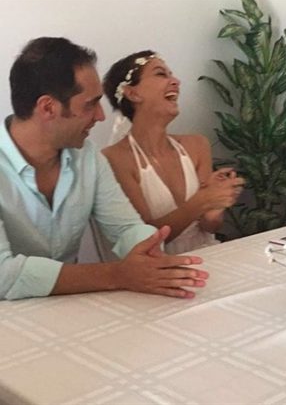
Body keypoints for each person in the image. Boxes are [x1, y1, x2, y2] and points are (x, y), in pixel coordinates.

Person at [0, 37, 208, 300]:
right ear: (48, 108)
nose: (100, 116)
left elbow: (125, 228)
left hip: (68, 305)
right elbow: (4, 276)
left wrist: (149, 252)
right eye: (90, 104)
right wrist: (118, 274)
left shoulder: (87, 156)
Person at [102, 51, 244, 254]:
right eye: (161, 74)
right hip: (157, 266)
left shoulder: (197, 145)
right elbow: (147, 242)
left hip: (208, 255)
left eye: (172, 74)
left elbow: (210, 226)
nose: (176, 81)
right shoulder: (114, 158)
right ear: (132, 93)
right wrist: (203, 199)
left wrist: (217, 202)